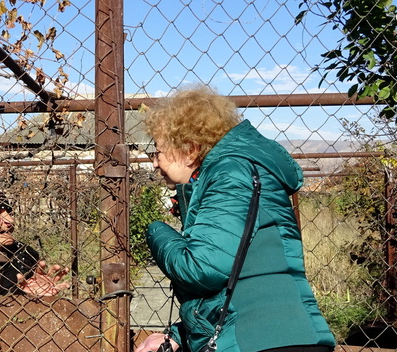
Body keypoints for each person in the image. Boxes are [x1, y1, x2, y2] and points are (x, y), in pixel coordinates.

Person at [135, 86, 336, 352]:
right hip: (275, 336)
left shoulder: (230, 173)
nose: (154, 163)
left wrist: (156, 231)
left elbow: (201, 268)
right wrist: (176, 335)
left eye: (158, 151)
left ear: (190, 149)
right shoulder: (233, 173)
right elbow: (236, 280)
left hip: (266, 341)